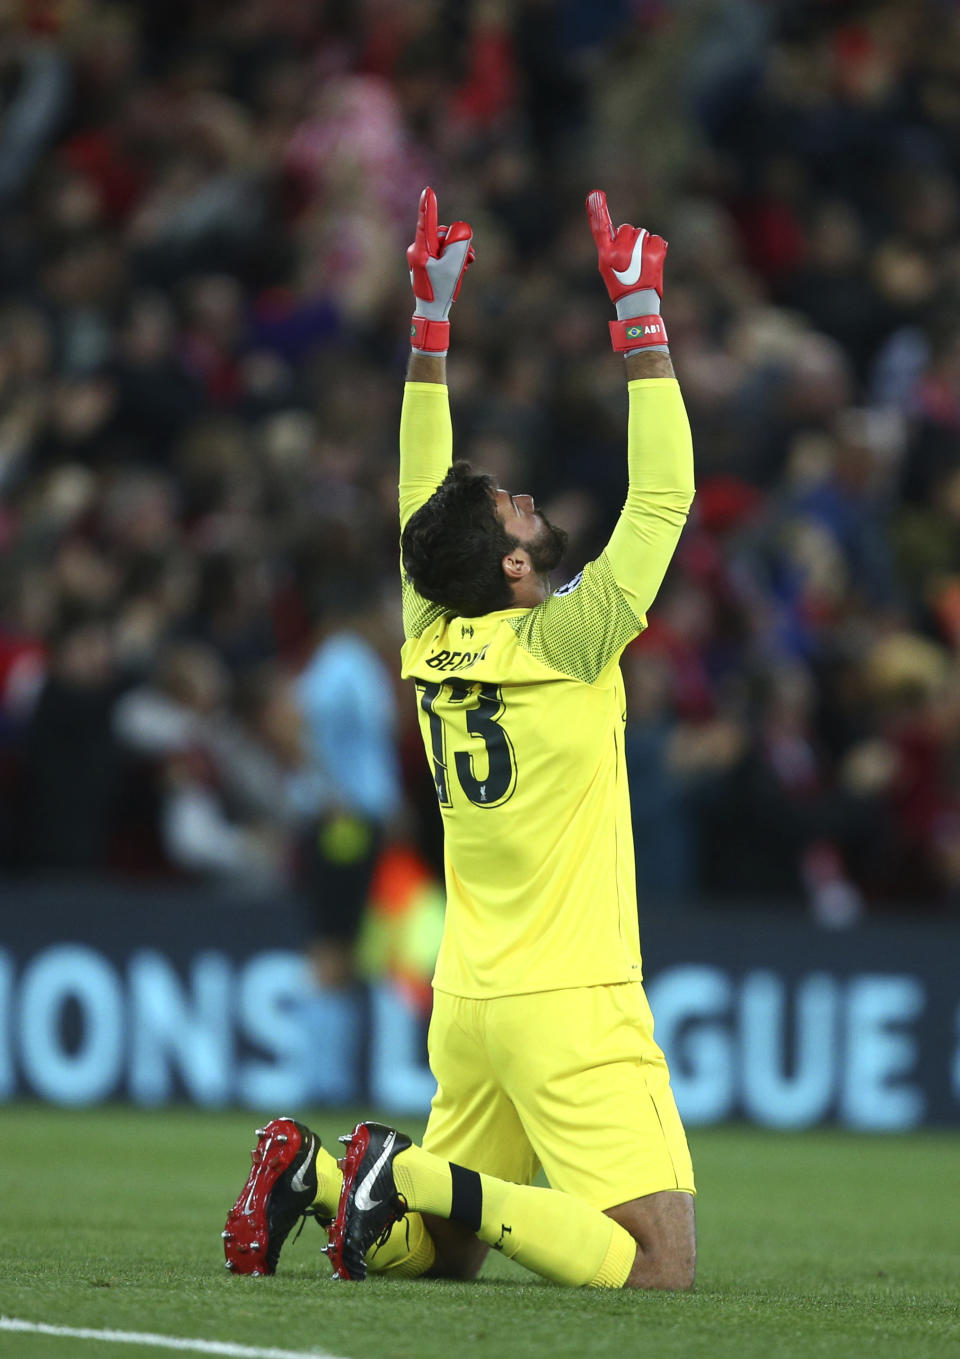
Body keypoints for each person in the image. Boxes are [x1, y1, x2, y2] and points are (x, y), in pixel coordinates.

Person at [223, 187, 697, 1290]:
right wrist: (639, 314)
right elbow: (665, 497)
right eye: (514, 512)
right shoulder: (570, 640)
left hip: (470, 994)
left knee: (439, 1264)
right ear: (519, 571)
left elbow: (414, 504)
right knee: (654, 1268)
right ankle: (407, 1168)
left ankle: (323, 1177)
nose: (524, 499)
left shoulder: (430, 632)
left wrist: (429, 333)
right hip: (572, 996)